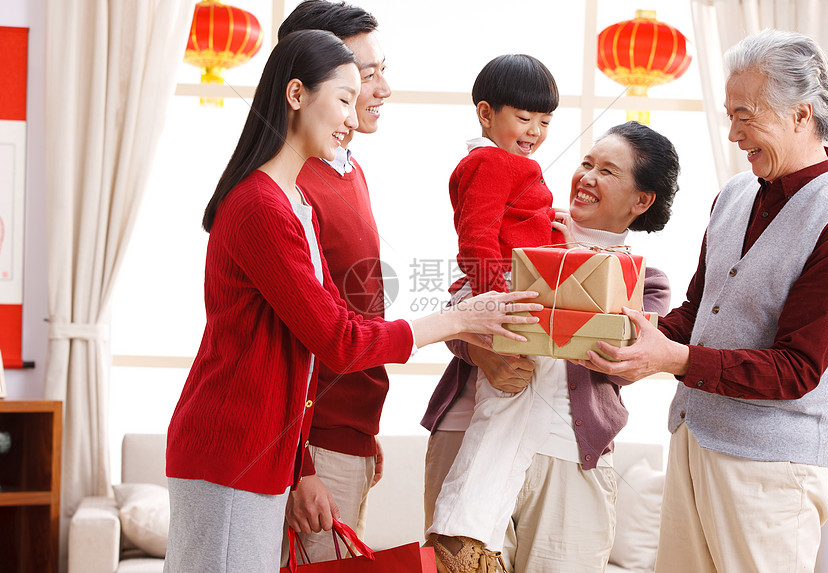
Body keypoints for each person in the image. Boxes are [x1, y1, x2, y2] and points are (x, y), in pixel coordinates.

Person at [162, 30, 542, 573]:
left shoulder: (293, 201)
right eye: (343, 96)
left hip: (267, 452)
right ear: (295, 96)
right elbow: (338, 340)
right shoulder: (259, 207)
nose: (352, 112)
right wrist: (458, 317)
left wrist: (302, 460)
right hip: (231, 448)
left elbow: (308, 353)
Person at [576, 30, 828, 573]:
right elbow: (698, 314)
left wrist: (674, 360)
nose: (732, 133)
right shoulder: (734, 195)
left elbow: (798, 370)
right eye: (728, 115)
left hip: (773, 469)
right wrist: (641, 333)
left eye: (744, 116)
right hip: (693, 442)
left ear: (801, 114)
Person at [423, 122, 679, 573]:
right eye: (586, 163)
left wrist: (575, 255)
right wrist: (482, 352)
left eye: (608, 171)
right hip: (468, 433)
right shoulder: (524, 233)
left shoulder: (648, 282)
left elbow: (623, 361)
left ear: (642, 201)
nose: (587, 177)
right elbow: (461, 299)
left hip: (571, 454)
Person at [422, 53, 564, 573]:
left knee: (511, 405)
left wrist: (555, 228)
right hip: (496, 294)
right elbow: (477, 237)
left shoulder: (507, 163)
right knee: (505, 406)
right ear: (486, 114)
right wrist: (494, 300)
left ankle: (473, 532)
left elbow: (518, 228)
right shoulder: (491, 162)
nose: (535, 131)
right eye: (523, 119)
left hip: (504, 291)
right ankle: (462, 533)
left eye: (545, 122)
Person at [275, 1, 394, 565]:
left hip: (349, 433)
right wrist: (301, 467)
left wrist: (363, 439)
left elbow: (358, 308)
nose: (381, 89)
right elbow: (283, 339)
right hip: (313, 449)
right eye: (364, 77)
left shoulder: (347, 168)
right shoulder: (288, 185)